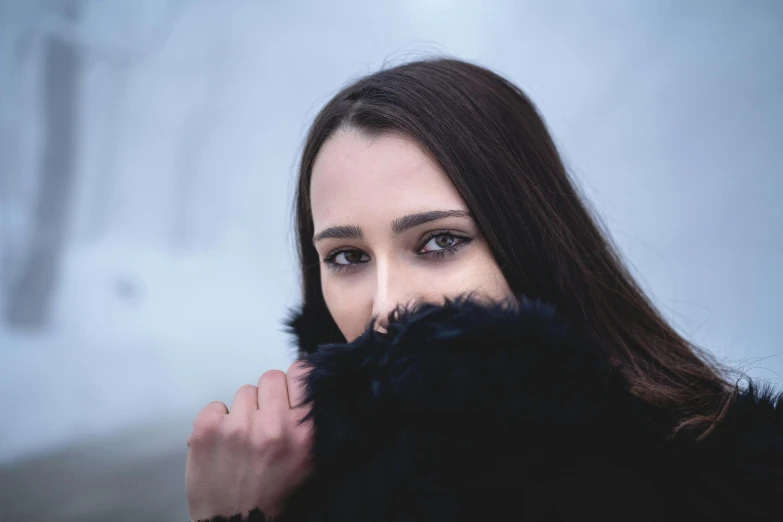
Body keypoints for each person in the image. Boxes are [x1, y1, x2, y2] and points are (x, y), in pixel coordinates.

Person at [185, 58, 782, 522]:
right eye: (347, 256)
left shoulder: (713, 479)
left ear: (530, 236)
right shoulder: (303, 466)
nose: (389, 304)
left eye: (439, 242)